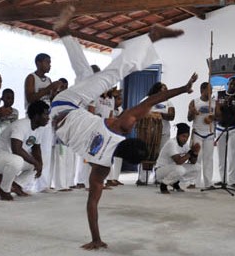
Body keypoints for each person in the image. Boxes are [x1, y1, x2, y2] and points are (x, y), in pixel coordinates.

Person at [50, 6, 192, 250]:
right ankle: (64, 32)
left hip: (69, 103)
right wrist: (96, 238)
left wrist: (183, 89)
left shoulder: (120, 125)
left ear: (130, 137)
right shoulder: (101, 168)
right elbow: (92, 204)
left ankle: (150, 37)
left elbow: (150, 100)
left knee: (112, 74)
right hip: (61, 116)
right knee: (86, 73)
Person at [0, 101, 49, 201]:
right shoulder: (21, 125)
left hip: (13, 160)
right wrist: (35, 163)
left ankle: (17, 185)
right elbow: (16, 149)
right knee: (18, 160)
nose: (48, 118)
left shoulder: (38, 129)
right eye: (45, 114)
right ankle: (4, 190)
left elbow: (36, 149)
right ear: (37, 116)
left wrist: (39, 165)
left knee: (42, 161)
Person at [24, 51, 65, 193]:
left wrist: (54, 93)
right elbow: (30, 98)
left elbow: (49, 99)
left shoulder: (48, 80)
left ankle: (43, 184)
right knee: (31, 151)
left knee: (45, 152)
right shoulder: (31, 78)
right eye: (47, 62)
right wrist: (48, 89)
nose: (49, 65)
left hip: (46, 119)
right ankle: (26, 185)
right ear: (38, 63)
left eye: (50, 62)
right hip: (34, 120)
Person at [215, 77, 235, 188]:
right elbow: (216, 110)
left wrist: (231, 105)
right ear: (227, 83)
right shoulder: (219, 95)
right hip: (220, 128)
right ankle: (222, 180)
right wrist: (223, 105)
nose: (233, 85)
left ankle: (232, 181)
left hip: (233, 128)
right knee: (221, 155)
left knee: (233, 155)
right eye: (231, 83)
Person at [155, 123, 200, 193]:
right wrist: (191, 152)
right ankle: (163, 185)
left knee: (197, 167)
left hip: (173, 168)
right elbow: (178, 161)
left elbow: (193, 162)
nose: (185, 139)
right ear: (178, 135)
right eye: (183, 136)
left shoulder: (185, 145)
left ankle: (175, 182)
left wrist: (195, 153)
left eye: (187, 137)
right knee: (180, 169)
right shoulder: (172, 143)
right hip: (161, 170)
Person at [186, 82, 215, 189]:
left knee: (208, 158)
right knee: (196, 157)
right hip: (197, 132)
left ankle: (208, 183)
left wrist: (213, 117)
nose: (211, 92)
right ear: (202, 90)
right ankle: (193, 181)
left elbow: (220, 117)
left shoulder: (214, 103)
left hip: (209, 133)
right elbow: (189, 118)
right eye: (209, 90)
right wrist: (192, 112)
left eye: (211, 90)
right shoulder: (194, 102)